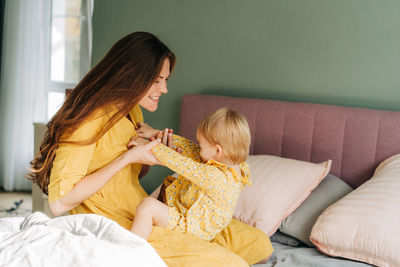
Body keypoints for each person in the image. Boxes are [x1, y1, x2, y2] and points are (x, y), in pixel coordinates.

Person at [28, 31, 273, 266]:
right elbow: (59, 204)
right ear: (132, 77)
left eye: (165, 80)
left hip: (147, 208)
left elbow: (133, 175)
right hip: (123, 223)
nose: (165, 89)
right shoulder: (88, 121)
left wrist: (147, 159)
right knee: (231, 264)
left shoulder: (132, 110)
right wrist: (128, 157)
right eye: (157, 81)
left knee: (260, 244)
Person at [130, 108, 251, 241]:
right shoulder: (234, 165)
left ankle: (133, 248)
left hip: (192, 229)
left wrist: (148, 146)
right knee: (166, 187)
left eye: (201, 146)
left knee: (148, 206)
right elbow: (190, 148)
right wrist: (156, 133)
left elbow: (181, 163)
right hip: (190, 218)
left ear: (217, 150)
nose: (197, 148)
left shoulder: (217, 177)